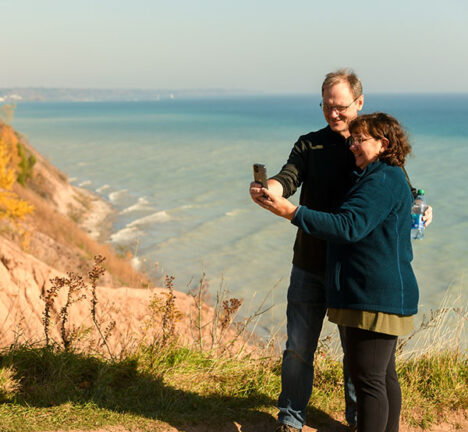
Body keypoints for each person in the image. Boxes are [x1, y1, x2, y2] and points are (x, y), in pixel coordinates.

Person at [249, 69, 432, 432]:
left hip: (353, 272)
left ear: (359, 103)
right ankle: (292, 418)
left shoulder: (372, 149)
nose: (333, 114)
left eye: (341, 107)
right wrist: (269, 189)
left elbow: (403, 194)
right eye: (327, 106)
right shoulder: (311, 144)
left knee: (361, 359)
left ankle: (359, 418)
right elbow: (288, 177)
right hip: (312, 263)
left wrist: (422, 208)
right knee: (300, 348)